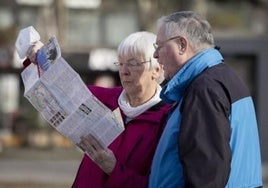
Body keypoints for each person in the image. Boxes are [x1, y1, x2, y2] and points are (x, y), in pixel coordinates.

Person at [149, 11, 263, 188]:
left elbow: (206, 174)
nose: (156, 55)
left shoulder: (204, 88)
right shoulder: (223, 78)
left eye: (159, 46)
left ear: (181, 45)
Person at [71, 31, 171, 187]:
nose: (124, 71)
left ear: (156, 70)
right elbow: (63, 88)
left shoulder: (167, 119)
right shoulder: (104, 99)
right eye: (121, 63)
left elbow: (157, 184)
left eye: (133, 63)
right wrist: (39, 58)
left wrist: (113, 169)